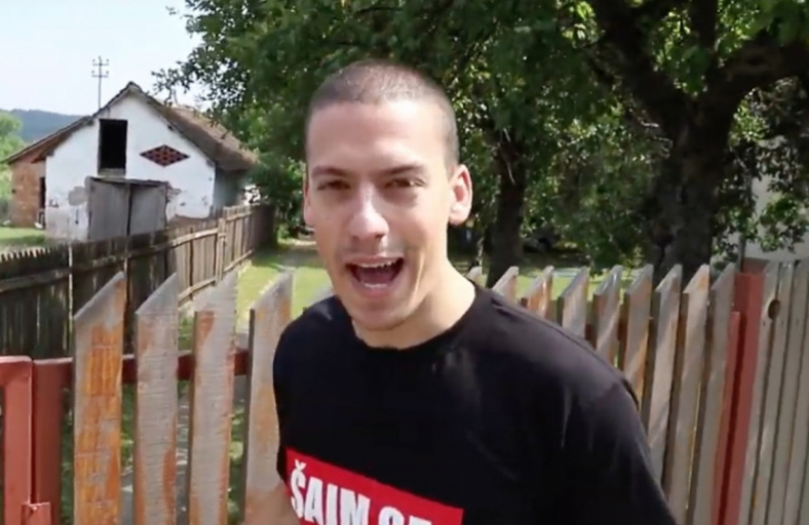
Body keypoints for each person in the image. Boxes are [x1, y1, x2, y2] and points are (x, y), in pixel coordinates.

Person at [246, 59, 677, 525]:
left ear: (457, 195)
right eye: (335, 185)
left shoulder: (572, 401)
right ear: (309, 200)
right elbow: (296, 497)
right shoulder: (304, 351)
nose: (367, 223)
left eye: (401, 183)